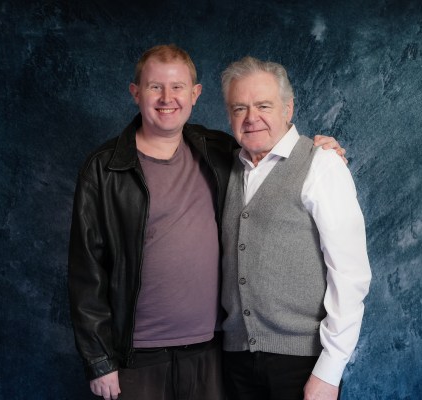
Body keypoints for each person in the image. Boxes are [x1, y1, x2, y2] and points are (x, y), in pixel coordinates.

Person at [68, 45, 345, 400]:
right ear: (135, 92)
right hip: (135, 356)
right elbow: (85, 271)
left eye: (178, 87)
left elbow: (269, 147)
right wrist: (99, 360)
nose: (167, 98)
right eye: (155, 87)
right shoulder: (104, 168)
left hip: (211, 352)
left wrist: (321, 151)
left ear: (195, 94)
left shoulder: (218, 151)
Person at [219, 56, 372, 400]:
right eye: (239, 108)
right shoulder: (225, 167)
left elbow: (350, 275)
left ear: (288, 109)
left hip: (302, 363)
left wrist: (330, 370)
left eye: (264, 105)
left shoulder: (322, 164)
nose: (251, 117)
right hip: (235, 360)